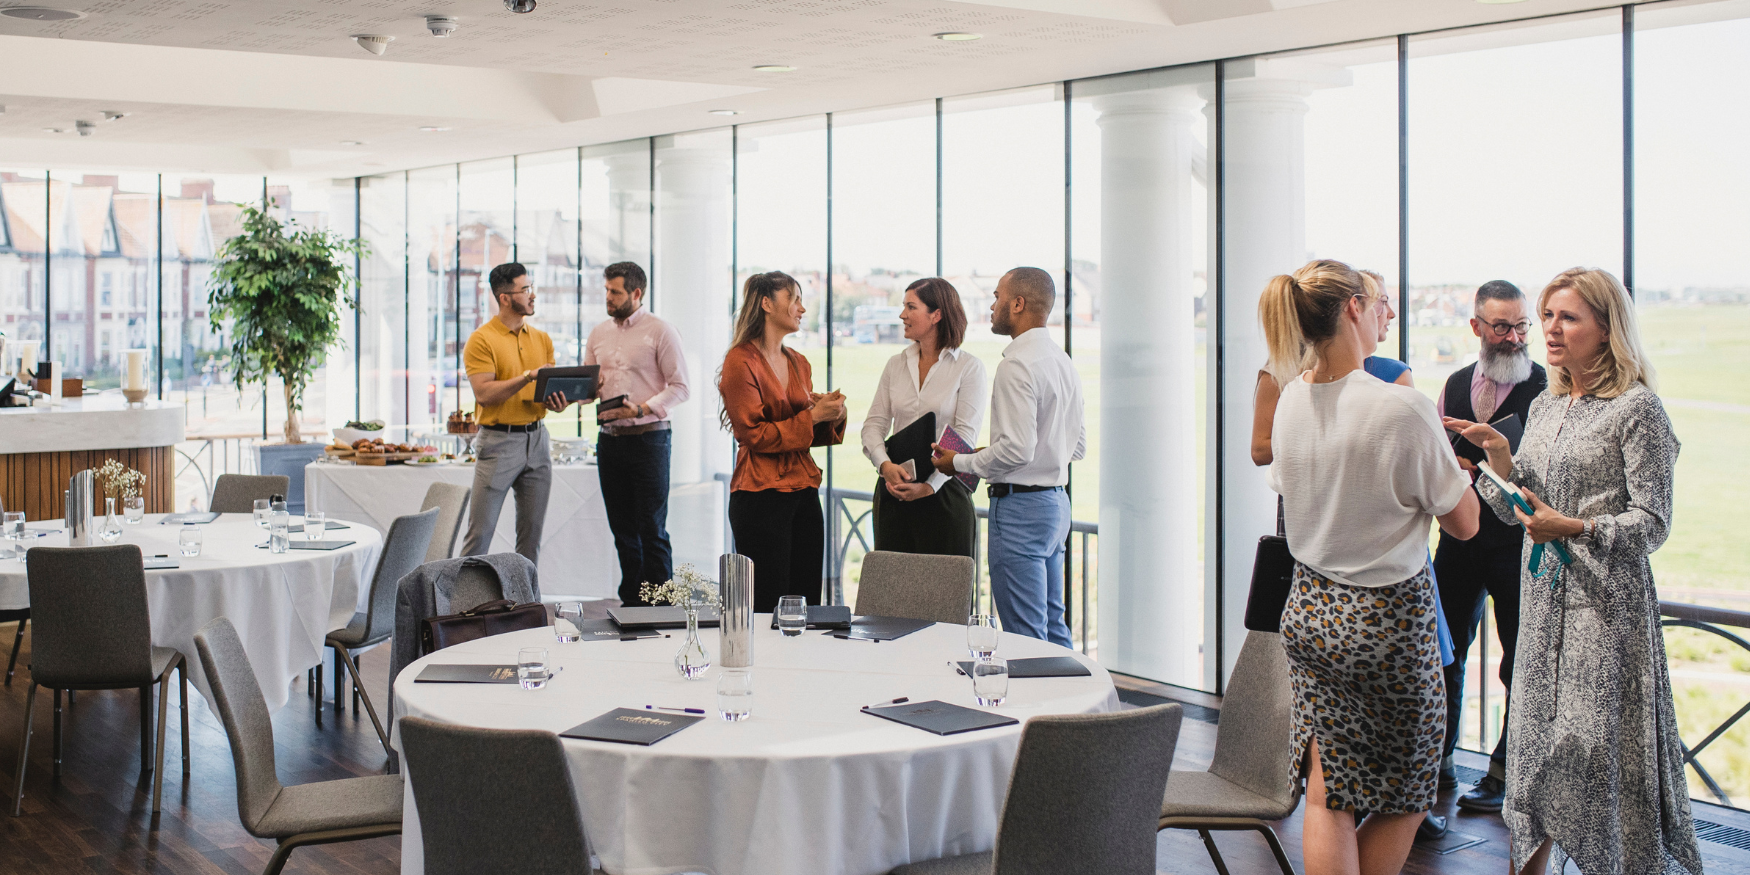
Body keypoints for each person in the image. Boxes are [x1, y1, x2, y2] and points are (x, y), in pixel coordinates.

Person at [1447, 268, 1700, 875]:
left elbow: (1653, 522)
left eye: (1568, 317)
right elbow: (1520, 513)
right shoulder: (1548, 403)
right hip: (1542, 604)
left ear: (1607, 328)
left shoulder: (1637, 408)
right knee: (1532, 758)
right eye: (1549, 316)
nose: (1550, 330)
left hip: (1604, 610)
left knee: (1589, 757)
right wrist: (1499, 461)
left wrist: (1579, 528)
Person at [1263, 258, 1480, 875]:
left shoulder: (1291, 401)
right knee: (1412, 788)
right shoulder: (1403, 409)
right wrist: (1458, 473)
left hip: (1309, 611)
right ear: (1353, 308)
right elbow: (1463, 525)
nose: (1388, 311)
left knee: (1327, 786)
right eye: (1380, 301)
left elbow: (1293, 484)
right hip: (1386, 621)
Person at [1430, 280, 1547, 811]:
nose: (1516, 338)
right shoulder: (1454, 383)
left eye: (1522, 326)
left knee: (1520, 659)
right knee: (1444, 651)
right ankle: (1441, 762)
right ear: (1476, 327)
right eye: (1502, 327)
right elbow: (1433, 451)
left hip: (1519, 544)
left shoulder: (1546, 387)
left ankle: (1506, 772)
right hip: (1459, 540)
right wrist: (1448, 466)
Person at [931, 267, 1083, 648]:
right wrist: (992, 453)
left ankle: (1037, 710)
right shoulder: (1062, 361)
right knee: (1053, 626)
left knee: (1025, 638)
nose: (993, 305)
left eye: (998, 297)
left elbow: (1017, 449)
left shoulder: (1016, 364)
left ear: (1018, 304)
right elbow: (1074, 447)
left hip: (1019, 511)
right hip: (1056, 505)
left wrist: (959, 463)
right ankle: (1072, 709)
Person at [718, 271, 846, 612]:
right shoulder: (739, 361)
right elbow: (754, 435)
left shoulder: (799, 363)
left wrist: (831, 413)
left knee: (806, 601)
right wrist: (813, 416)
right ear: (766, 304)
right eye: (795, 298)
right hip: (759, 495)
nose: (802, 308)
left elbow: (801, 433)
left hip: (803, 492)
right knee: (766, 603)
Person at [586, 261, 690, 607]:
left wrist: (643, 408)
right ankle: (632, 606)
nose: (608, 297)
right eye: (606, 290)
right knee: (623, 532)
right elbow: (589, 388)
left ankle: (661, 610)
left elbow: (681, 387)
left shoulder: (660, 331)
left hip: (650, 438)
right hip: (610, 441)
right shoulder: (598, 333)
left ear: (636, 293)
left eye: (614, 292)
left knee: (651, 530)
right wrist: (573, 392)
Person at [861, 277, 987, 558]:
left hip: (945, 495)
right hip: (894, 493)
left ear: (936, 315)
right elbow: (874, 426)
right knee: (893, 595)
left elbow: (965, 438)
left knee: (945, 598)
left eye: (910, 306)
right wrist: (884, 466)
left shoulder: (969, 368)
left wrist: (929, 487)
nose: (902, 314)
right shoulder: (895, 364)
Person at [461, 262, 577, 564]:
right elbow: (484, 394)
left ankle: (525, 607)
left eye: (531, 288)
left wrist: (558, 402)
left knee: (531, 539)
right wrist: (528, 376)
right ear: (504, 298)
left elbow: (544, 394)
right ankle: (461, 608)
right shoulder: (481, 340)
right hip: (499, 442)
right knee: (479, 537)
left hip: (537, 440)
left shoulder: (542, 339)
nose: (532, 295)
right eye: (525, 290)